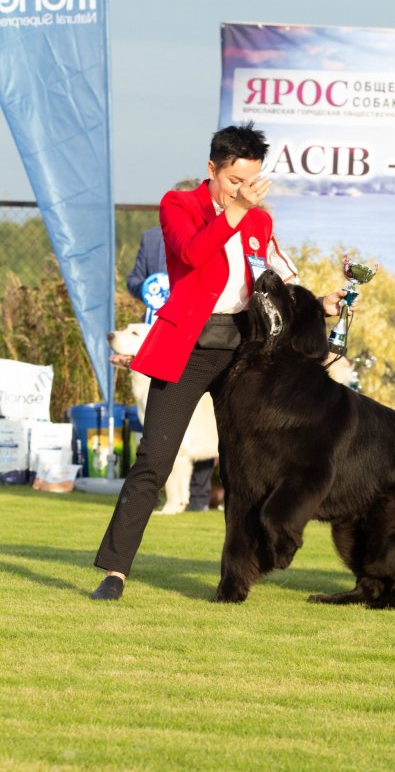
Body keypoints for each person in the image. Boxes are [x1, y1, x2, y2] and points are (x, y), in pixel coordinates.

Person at [92, 122, 356, 600]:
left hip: (245, 355)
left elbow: (279, 283)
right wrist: (235, 211)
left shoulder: (260, 221)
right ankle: (114, 572)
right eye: (235, 180)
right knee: (155, 458)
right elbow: (192, 253)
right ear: (212, 168)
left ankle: (237, 579)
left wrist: (322, 304)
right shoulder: (179, 205)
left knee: (241, 468)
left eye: (252, 180)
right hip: (188, 349)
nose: (243, 190)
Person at [126, 218, 215, 512]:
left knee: (199, 421)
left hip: (198, 333)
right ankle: (157, 494)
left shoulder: (211, 236)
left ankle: (198, 498)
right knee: (158, 421)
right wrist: (148, 289)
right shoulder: (152, 238)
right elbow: (134, 279)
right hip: (156, 332)